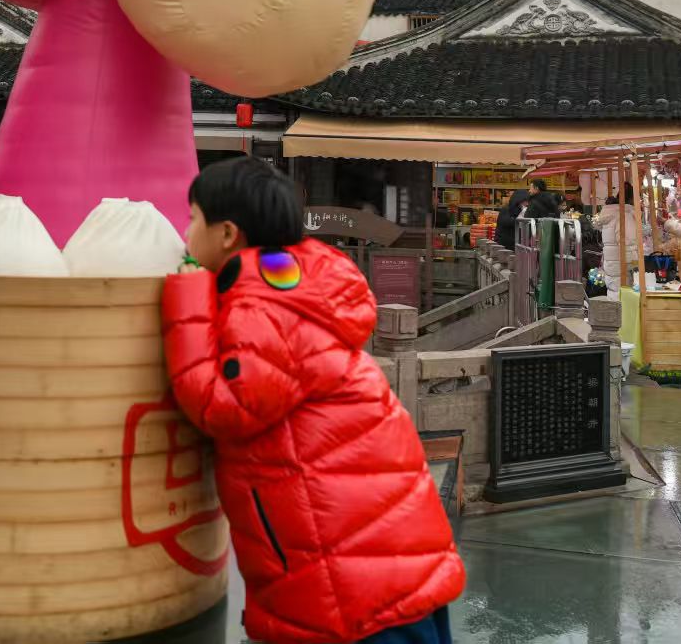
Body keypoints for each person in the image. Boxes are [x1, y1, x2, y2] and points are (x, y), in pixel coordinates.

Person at [164, 157, 464, 643]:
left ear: (227, 234)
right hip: (390, 567)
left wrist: (186, 298)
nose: (185, 232)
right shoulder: (294, 283)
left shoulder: (263, 306)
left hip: (352, 592)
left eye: (193, 218)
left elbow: (227, 407)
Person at [592, 184, 642, 295]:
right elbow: (627, 243)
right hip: (622, 266)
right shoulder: (624, 215)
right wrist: (635, 265)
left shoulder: (611, 214)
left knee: (614, 293)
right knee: (623, 296)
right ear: (632, 199)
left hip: (611, 264)